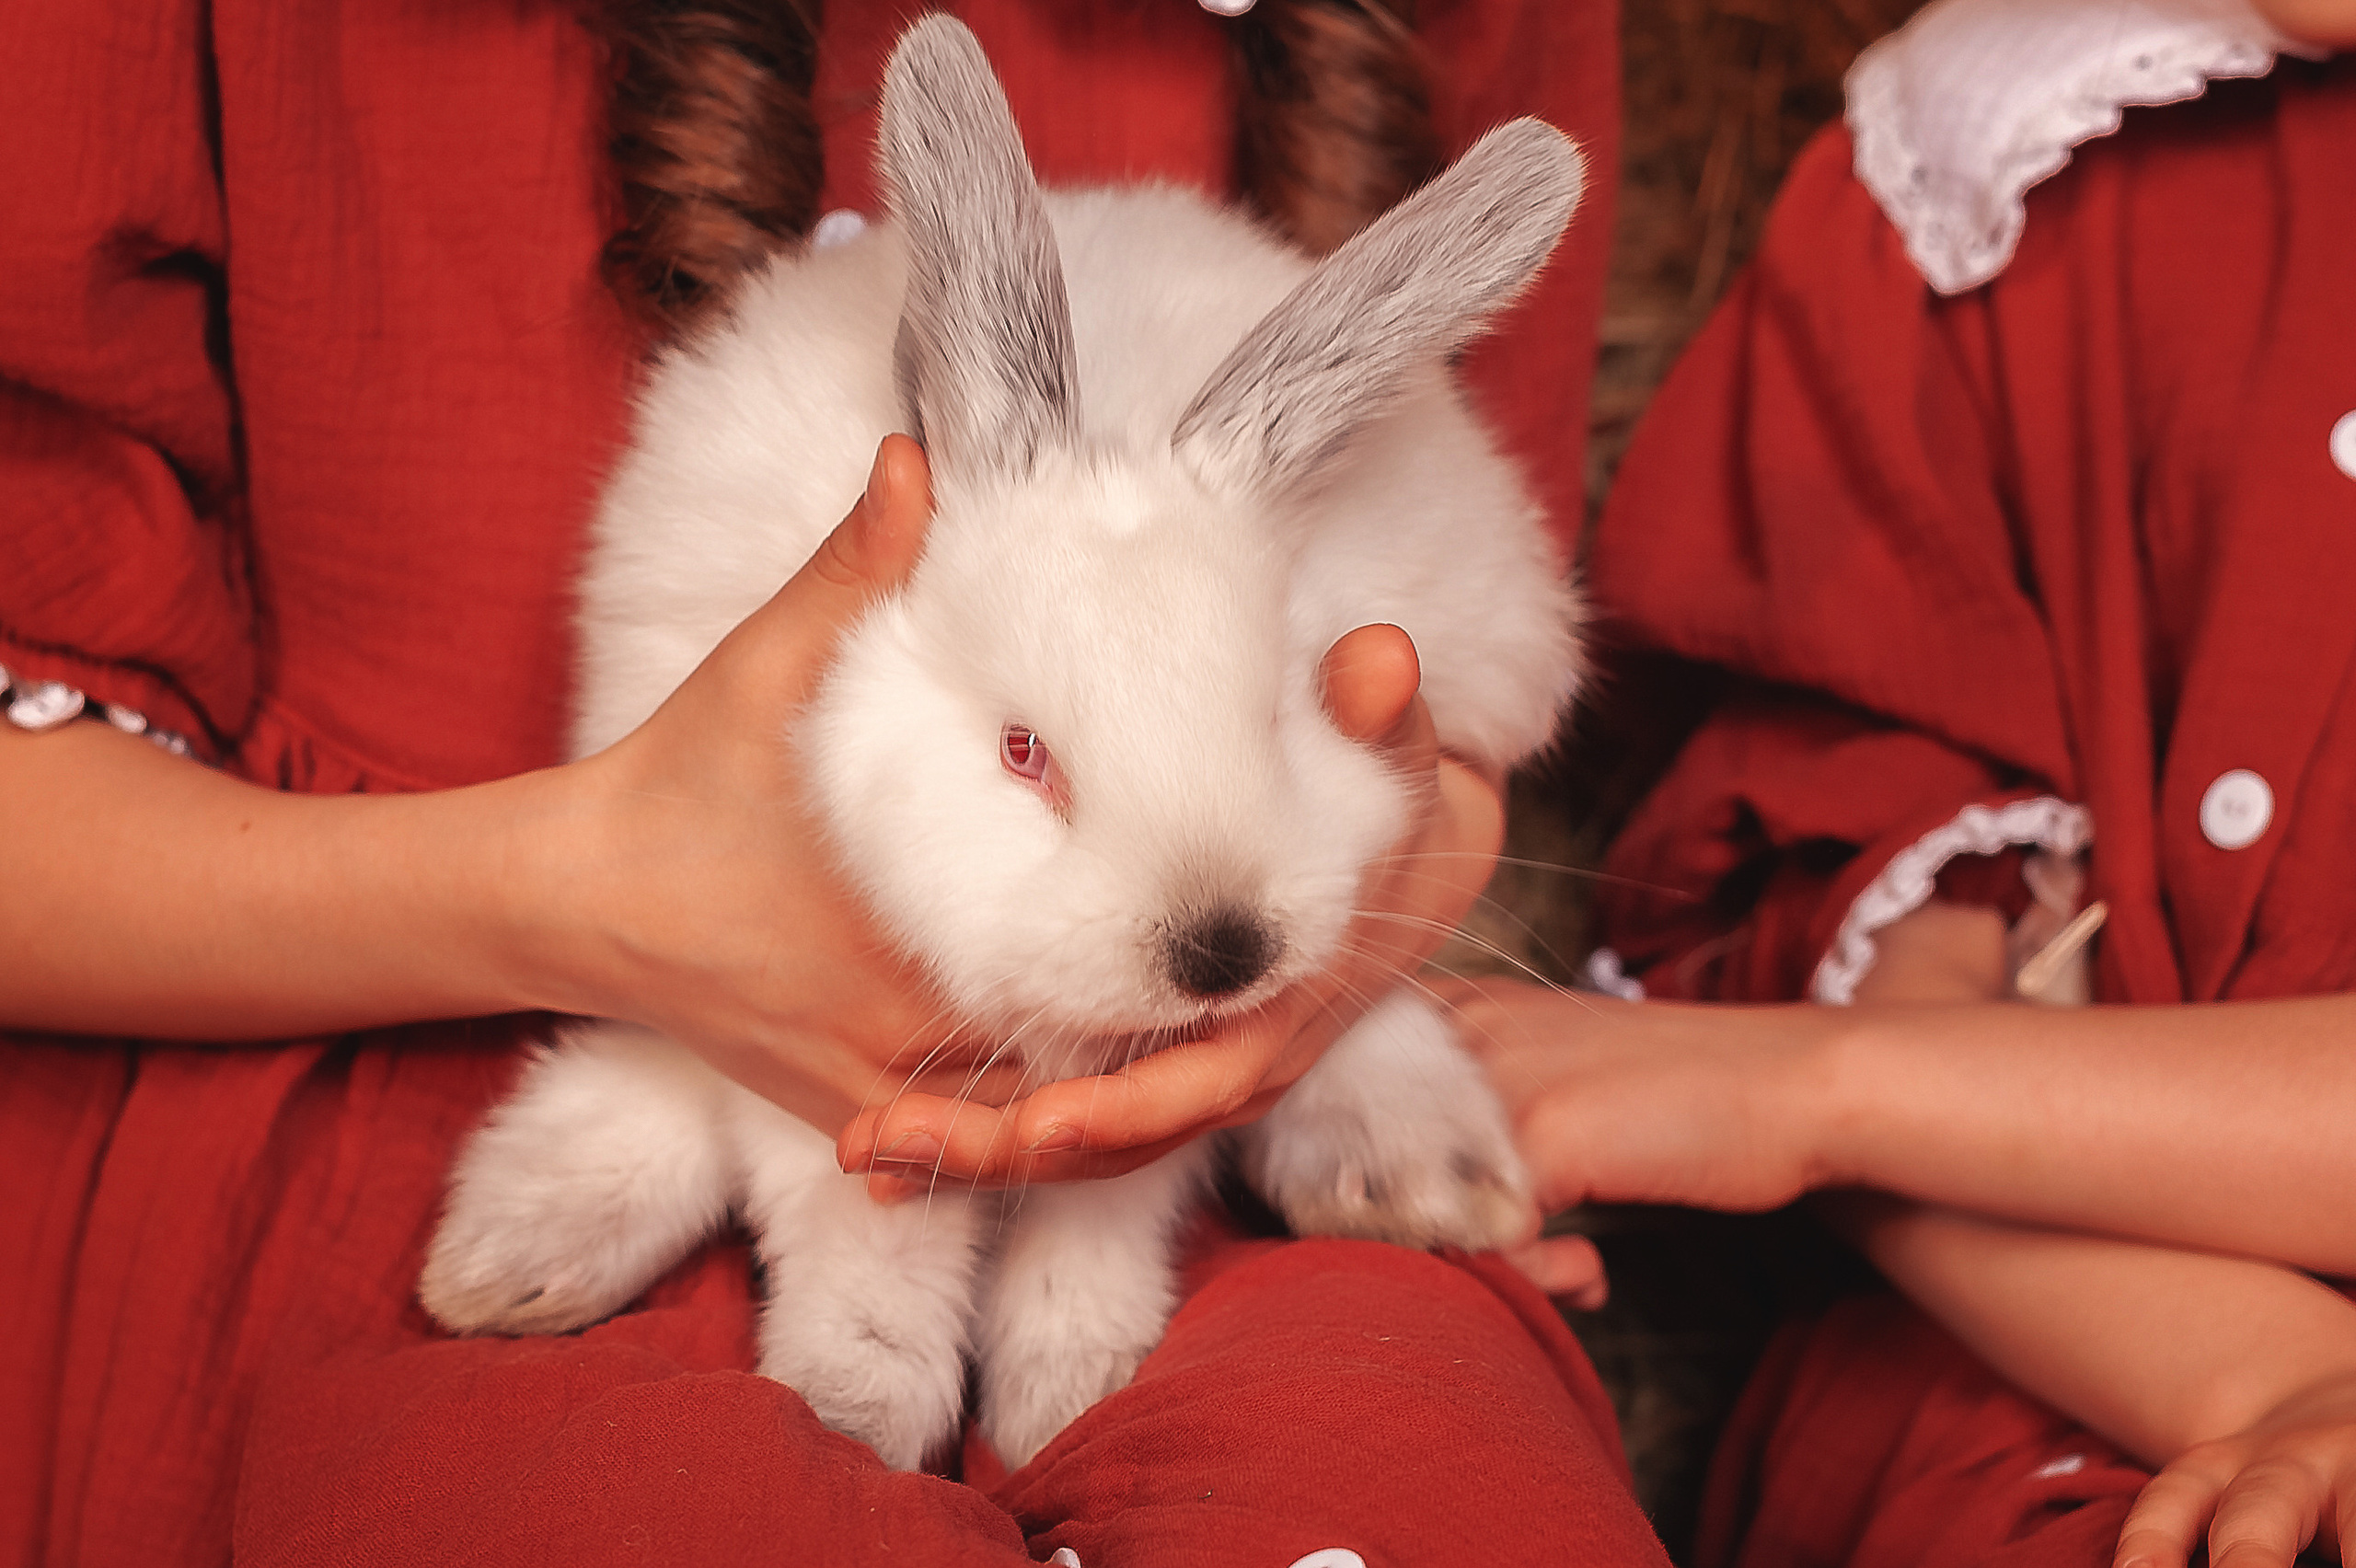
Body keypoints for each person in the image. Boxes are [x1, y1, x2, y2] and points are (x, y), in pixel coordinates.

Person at [0, 1, 1657, 1562]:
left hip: (1234, 1123)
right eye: (1028, 757)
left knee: (1411, 1480)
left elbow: (1467, 713)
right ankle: (669, 1097)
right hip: (368, 1010)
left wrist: (1366, 938)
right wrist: (614, 933)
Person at [1449, 0, 2356, 1565]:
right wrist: (2262, 1371)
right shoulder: (1990, 174)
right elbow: (1854, 969)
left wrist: (1814, 1090)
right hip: (2042, 1342)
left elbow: (1819, 1088)